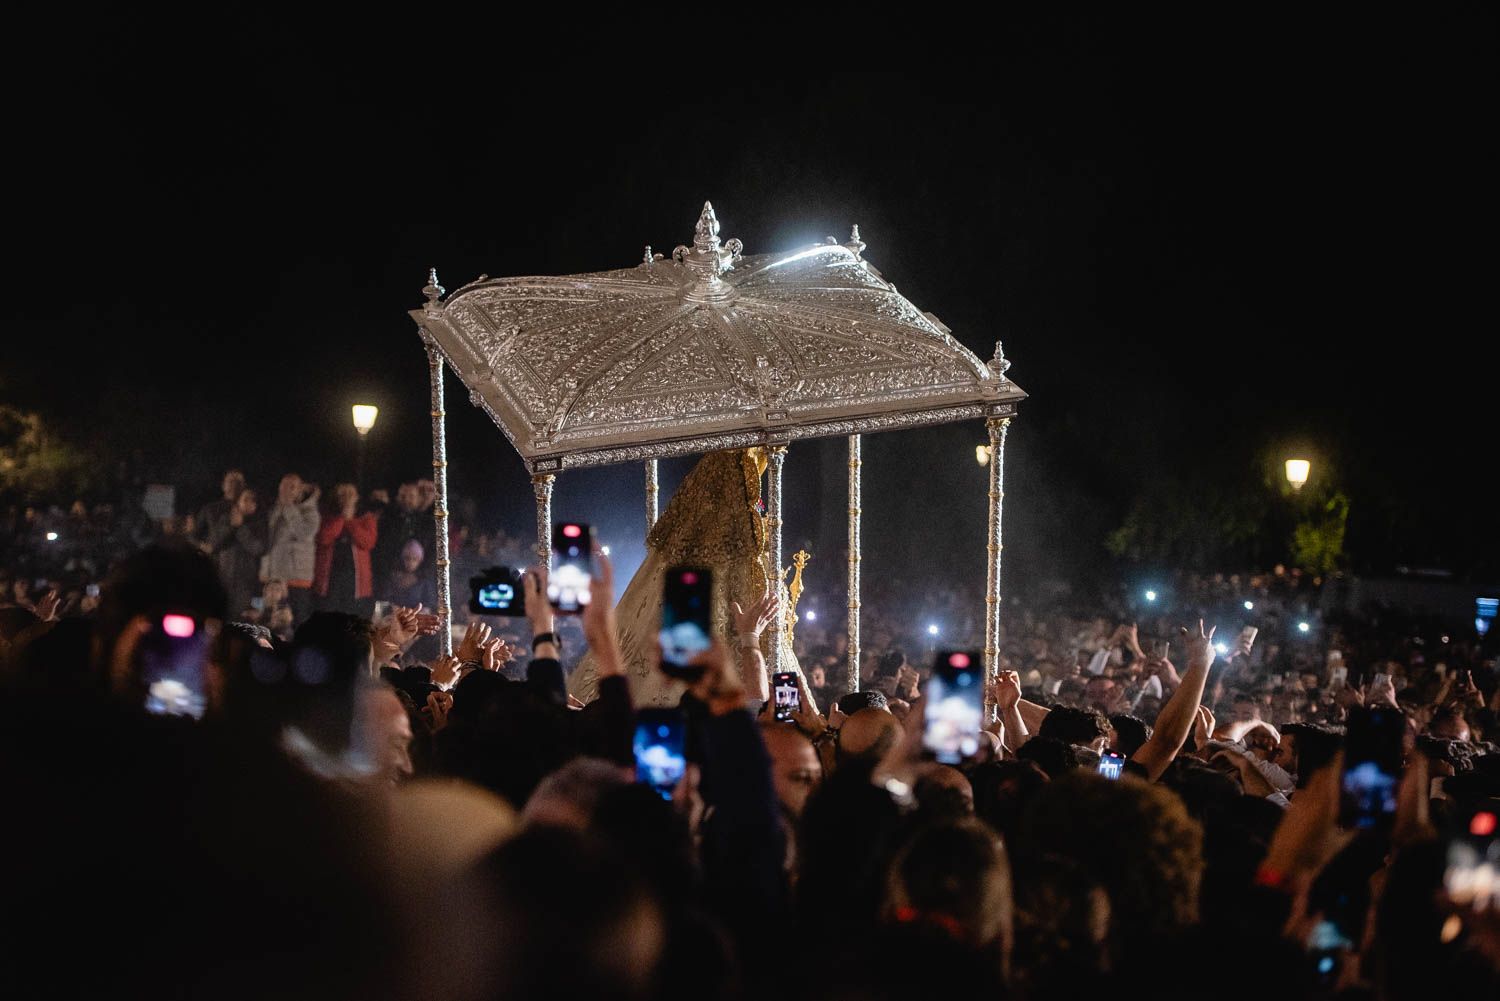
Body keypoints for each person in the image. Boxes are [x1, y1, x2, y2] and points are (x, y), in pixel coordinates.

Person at [314, 484, 378, 619]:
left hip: (355, 579)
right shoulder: (327, 516)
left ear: (357, 497)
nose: (347, 498)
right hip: (330, 577)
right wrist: (341, 518)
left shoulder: (366, 518)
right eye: (343, 494)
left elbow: (367, 543)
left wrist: (350, 521)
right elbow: (324, 538)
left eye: (350, 494)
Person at [264, 474, 321, 626]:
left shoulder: (311, 512)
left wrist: (288, 507)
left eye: (292, 487)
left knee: (296, 624)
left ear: (300, 490)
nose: (286, 491)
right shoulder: (275, 509)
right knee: (272, 624)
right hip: (275, 578)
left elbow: (303, 533)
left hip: (297, 579)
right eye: (283, 486)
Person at [206, 486, 266, 619]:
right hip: (224, 580)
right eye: (244, 499)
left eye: (251, 500)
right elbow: (214, 545)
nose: (247, 503)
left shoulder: (260, 524)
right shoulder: (225, 520)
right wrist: (231, 526)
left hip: (247, 585)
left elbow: (256, 548)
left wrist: (240, 528)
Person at [191, 469, 245, 554]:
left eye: (237, 482)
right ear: (223, 485)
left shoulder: (249, 511)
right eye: (230, 481)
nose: (234, 485)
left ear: (243, 486)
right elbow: (192, 536)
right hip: (216, 560)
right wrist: (203, 546)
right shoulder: (210, 509)